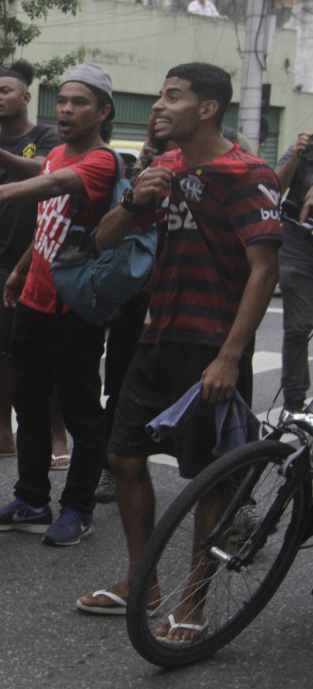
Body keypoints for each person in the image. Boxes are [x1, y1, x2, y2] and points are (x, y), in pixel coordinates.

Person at [76, 63, 280, 637]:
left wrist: (230, 356)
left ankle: (194, 598)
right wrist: (136, 201)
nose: (159, 107)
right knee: (123, 457)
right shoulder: (160, 166)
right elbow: (103, 239)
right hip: (157, 334)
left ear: (208, 108)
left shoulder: (247, 173)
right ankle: (144, 582)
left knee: (207, 478)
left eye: (172, 97)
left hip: (211, 344)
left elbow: (264, 270)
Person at [0, 63, 119, 547]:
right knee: (28, 405)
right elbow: (49, 221)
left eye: (80, 103)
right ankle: (30, 500)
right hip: (33, 300)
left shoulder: (101, 161)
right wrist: (22, 269)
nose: (67, 110)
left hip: (75, 309)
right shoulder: (57, 155)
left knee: (81, 413)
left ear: (103, 111)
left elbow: (47, 188)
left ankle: (78, 509)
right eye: (63, 102)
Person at [0, 62, 70, 468]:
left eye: (4, 91)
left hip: (44, 258)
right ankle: (4, 435)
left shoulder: (48, 137)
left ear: (25, 97)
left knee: (47, 352)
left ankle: (59, 437)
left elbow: (48, 172)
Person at [274, 131, 313, 414]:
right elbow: (272, 189)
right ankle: (294, 405)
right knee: (298, 328)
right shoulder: (302, 150)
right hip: (299, 245)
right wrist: (296, 157)